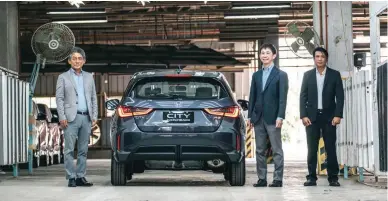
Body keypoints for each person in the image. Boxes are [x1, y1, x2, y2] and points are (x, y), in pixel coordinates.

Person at [299, 47, 344, 187]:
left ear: (326, 58)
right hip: (311, 117)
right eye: (317, 56)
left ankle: (333, 177)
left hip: (329, 117)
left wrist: (338, 115)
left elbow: (340, 97)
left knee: (330, 147)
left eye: (322, 56)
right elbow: (302, 96)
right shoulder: (307, 75)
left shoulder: (334, 75)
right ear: (314, 59)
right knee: (312, 148)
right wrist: (303, 115)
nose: (319, 59)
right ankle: (311, 177)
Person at [56, 47, 98, 187]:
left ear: (84, 61)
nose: (77, 61)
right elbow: (59, 99)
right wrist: (62, 116)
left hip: (86, 118)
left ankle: (80, 176)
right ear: (69, 61)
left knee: (83, 150)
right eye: (74, 58)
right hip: (70, 118)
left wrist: (94, 116)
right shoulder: (63, 77)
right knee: (68, 150)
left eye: (80, 58)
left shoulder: (89, 77)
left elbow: (93, 98)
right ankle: (71, 177)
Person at [248, 43, 289, 187]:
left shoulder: (281, 75)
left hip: (273, 118)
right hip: (258, 118)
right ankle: (262, 179)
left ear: (274, 56)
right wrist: (249, 116)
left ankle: (277, 179)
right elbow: (252, 96)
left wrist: (280, 116)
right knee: (259, 150)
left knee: (277, 150)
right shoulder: (256, 75)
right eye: (262, 53)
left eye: (267, 53)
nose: (264, 55)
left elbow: (282, 98)